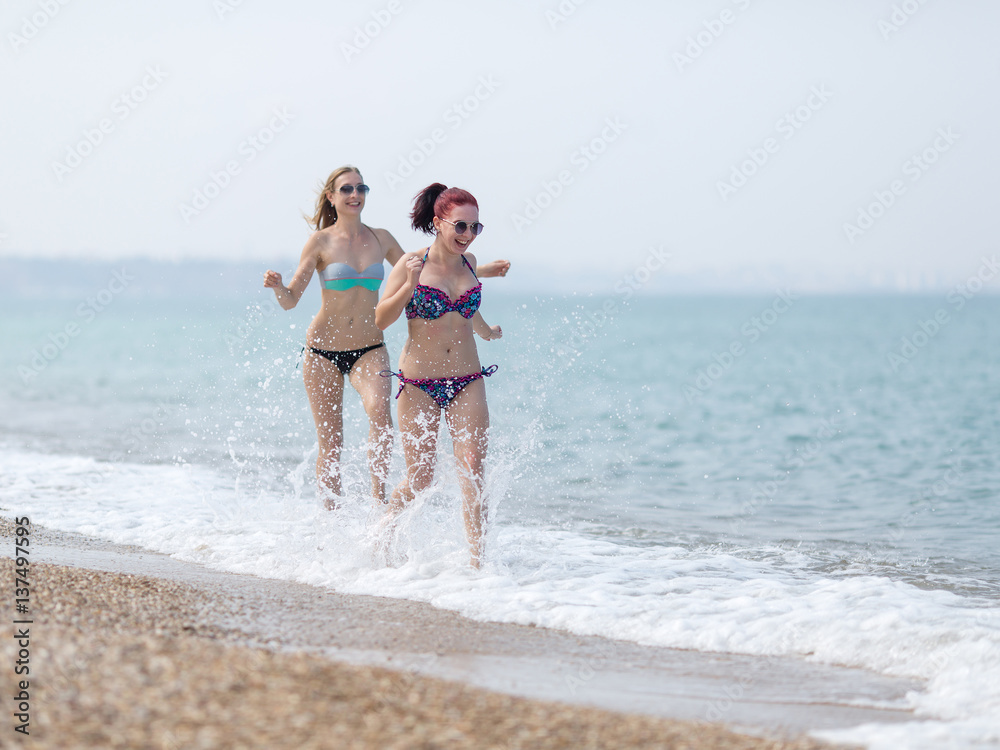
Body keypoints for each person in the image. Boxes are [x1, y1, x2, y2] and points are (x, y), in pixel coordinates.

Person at [263, 167, 508, 508]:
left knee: (380, 411)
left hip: (370, 347)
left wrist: (480, 271)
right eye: (346, 188)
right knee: (331, 444)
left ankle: (378, 505)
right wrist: (278, 288)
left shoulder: (381, 238)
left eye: (361, 187)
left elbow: (427, 268)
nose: (355, 194)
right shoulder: (320, 242)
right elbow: (291, 300)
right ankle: (329, 521)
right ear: (331, 197)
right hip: (323, 349)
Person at [375, 183, 502, 568]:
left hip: (467, 378)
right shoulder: (411, 263)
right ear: (438, 222)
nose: (467, 235)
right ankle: (384, 536)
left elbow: (465, 309)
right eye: (460, 226)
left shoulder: (468, 262)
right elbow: (380, 319)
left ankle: (478, 566)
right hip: (419, 385)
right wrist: (410, 286)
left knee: (473, 469)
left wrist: (485, 330)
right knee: (420, 477)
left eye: (475, 227)